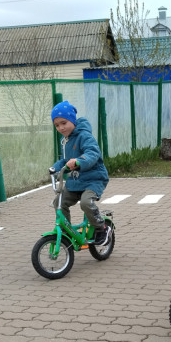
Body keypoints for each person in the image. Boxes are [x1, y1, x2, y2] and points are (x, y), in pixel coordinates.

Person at [50, 100, 112, 246]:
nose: (61, 127)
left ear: (72, 120)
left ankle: (101, 227)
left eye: (64, 123)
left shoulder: (84, 136)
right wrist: (55, 167)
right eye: (57, 125)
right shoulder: (64, 140)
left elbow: (92, 153)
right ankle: (66, 234)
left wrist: (79, 161)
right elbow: (65, 160)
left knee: (85, 202)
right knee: (58, 202)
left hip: (93, 179)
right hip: (76, 182)